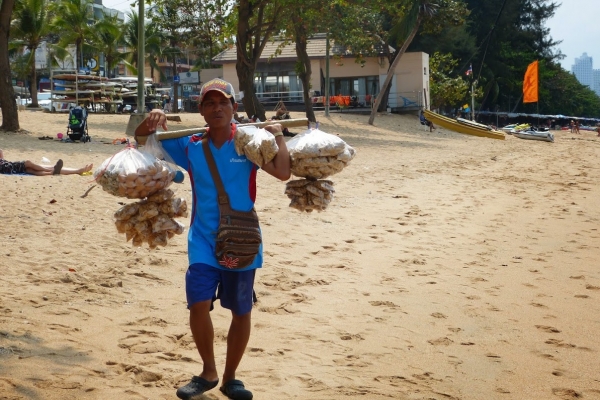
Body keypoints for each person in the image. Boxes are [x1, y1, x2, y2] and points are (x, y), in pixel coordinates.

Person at [144, 78, 290, 400]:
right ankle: (208, 370)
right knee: (197, 303)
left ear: (234, 108)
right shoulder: (190, 145)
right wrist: (153, 116)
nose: (217, 108)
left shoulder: (249, 143)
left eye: (223, 102)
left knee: (241, 310)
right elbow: (146, 140)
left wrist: (278, 135)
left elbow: (282, 172)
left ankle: (230, 377)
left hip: (242, 239)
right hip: (202, 240)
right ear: (201, 111)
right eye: (210, 103)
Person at [0, 149, 93, 176]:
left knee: (31, 170)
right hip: (9, 168)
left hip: (8, 168)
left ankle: (77, 171)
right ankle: (51, 170)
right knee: (28, 163)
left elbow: (2, 156)